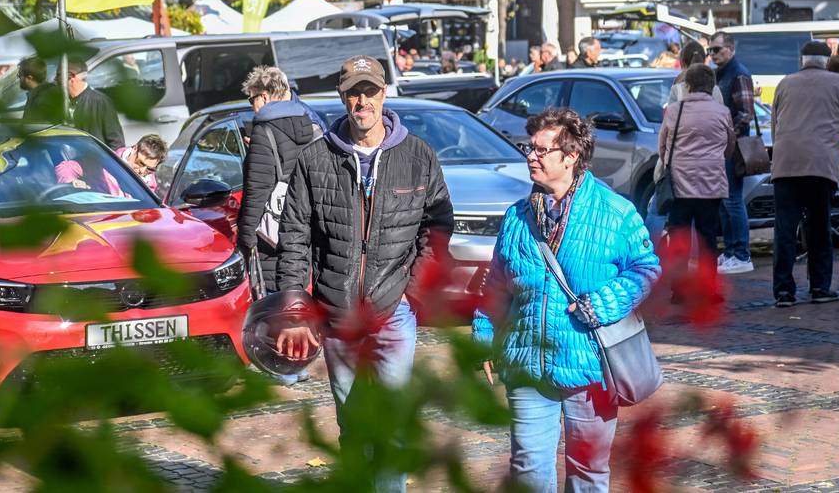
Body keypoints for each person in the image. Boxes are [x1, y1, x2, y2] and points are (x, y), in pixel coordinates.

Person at [276, 55, 453, 492]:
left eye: (370, 91)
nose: (363, 101)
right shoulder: (315, 158)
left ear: (384, 93)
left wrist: (413, 291)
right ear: (343, 97)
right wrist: (296, 304)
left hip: (394, 310)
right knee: (352, 422)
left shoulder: (417, 156)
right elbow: (294, 235)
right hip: (338, 314)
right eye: (354, 92)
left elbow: (438, 225)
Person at [473, 108, 660, 492]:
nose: (531, 157)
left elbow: (646, 268)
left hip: (590, 364)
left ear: (571, 156)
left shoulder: (615, 212)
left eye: (542, 150)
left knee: (588, 470)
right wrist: (483, 336)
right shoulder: (517, 217)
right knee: (527, 467)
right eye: (530, 148)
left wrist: (603, 304)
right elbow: (496, 284)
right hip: (527, 360)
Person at [770, 40, 839, 307]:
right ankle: (819, 287)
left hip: (785, 166)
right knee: (819, 227)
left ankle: (783, 291)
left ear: (802, 60)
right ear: (827, 61)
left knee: (784, 229)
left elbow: (775, 127)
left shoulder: (784, 83)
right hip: (820, 166)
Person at [238, 66, 318, 295]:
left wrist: (246, 238)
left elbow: (257, 190)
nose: (252, 107)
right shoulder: (311, 124)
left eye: (251, 99)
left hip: (274, 235)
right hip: (306, 225)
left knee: (276, 300)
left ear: (263, 97)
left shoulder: (264, 131)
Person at [659, 64, 734, 304]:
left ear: (687, 85)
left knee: (679, 237)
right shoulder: (722, 112)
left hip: (679, 184)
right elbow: (729, 146)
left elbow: (662, 147)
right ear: (712, 86)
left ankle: (678, 289)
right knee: (708, 239)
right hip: (711, 184)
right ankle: (708, 290)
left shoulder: (674, 111)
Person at [707, 32, 755, 274]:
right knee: (725, 201)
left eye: (717, 49)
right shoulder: (722, 73)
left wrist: (727, 137)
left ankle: (741, 253)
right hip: (723, 146)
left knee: (732, 200)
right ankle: (731, 251)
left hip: (732, 148)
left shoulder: (738, 73)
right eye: (711, 50)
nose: (713, 54)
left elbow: (746, 113)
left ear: (730, 49)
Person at [65, 57, 124, 149]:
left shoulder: (100, 102)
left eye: (59, 76)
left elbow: (116, 142)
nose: (55, 80)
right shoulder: (63, 101)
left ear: (72, 78)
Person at [18, 56, 64, 124]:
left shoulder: (46, 98)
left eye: (19, 76)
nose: (18, 79)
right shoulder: (36, 94)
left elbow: (35, 127)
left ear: (29, 78)